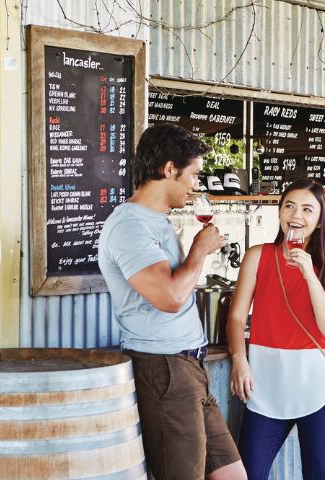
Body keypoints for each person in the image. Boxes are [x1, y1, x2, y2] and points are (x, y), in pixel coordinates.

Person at [97, 124, 247, 480]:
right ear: (169, 169)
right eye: (193, 174)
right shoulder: (129, 226)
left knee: (232, 476)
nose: (196, 185)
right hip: (163, 368)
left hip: (187, 368)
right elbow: (169, 297)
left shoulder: (156, 221)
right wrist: (199, 250)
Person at [226, 179, 325, 479]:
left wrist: (308, 273)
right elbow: (237, 317)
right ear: (279, 212)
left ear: (320, 222)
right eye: (289, 205)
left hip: (318, 383)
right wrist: (239, 360)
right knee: (249, 473)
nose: (296, 215)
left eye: (308, 209)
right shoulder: (257, 256)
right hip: (266, 383)